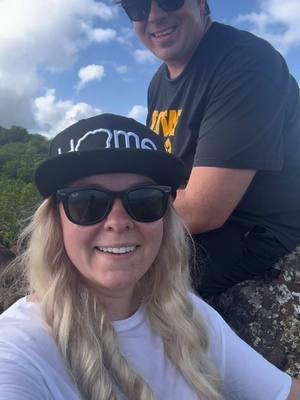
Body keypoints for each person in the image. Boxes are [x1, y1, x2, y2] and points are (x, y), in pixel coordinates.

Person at [0, 113, 299, 399]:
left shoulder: (186, 315)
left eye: (145, 200)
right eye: (87, 202)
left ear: (166, 220)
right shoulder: (17, 348)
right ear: (56, 221)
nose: (118, 221)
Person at [118, 0, 300, 299]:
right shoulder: (158, 84)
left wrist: (109, 221)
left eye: (169, 0)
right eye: (136, 7)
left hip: (252, 228)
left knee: (124, 283)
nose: (154, 16)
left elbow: (205, 209)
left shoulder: (246, 61)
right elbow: (157, 173)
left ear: (201, 3)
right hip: (189, 220)